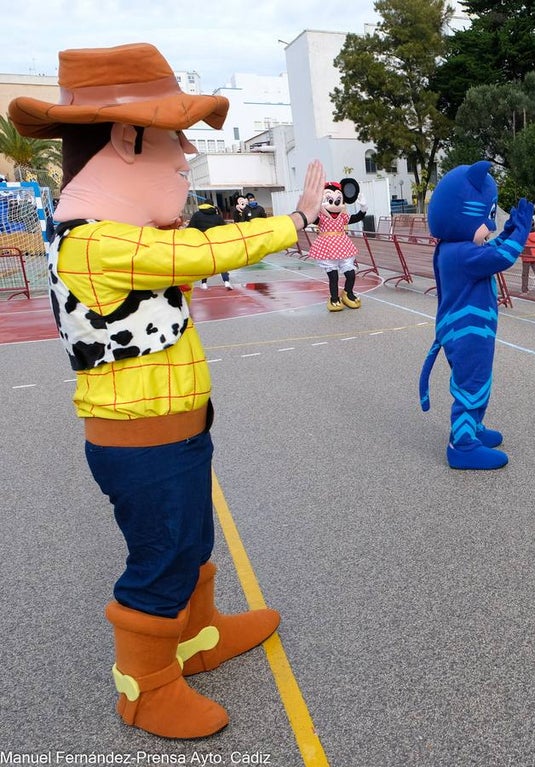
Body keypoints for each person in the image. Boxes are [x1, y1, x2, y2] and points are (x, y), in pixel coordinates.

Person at [7, 43, 324, 739]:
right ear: (127, 139)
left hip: (177, 428)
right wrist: (297, 222)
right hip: (140, 440)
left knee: (192, 539)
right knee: (161, 555)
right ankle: (144, 688)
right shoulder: (93, 242)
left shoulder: (116, 235)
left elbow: (174, 274)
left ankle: (198, 635)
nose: (187, 155)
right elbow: (202, 254)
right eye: (174, 137)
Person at [418, 161, 534, 470]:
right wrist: (520, 234)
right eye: (486, 217)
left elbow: (489, 249)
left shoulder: (454, 248)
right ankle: (462, 444)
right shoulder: (462, 253)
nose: (490, 226)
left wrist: (507, 232)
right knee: (472, 383)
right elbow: (500, 257)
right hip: (468, 331)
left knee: (478, 379)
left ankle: (474, 427)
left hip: (465, 329)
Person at [307, 179, 367, 311]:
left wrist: (363, 208)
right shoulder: (321, 218)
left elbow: (357, 217)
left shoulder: (342, 217)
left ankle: (348, 293)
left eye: (338, 201)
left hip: (343, 247)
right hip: (327, 249)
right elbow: (310, 218)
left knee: (350, 274)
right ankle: (334, 298)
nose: (334, 205)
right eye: (329, 201)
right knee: (333, 276)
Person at [187, 203, 233, 290]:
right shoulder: (217, 216)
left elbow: (190, 228)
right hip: (216, 242)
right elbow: (224, 229)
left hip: (202, 243)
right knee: (221, 262)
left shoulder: (197, 215)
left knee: (205, 263)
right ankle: (226, 281)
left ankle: (204, 283)